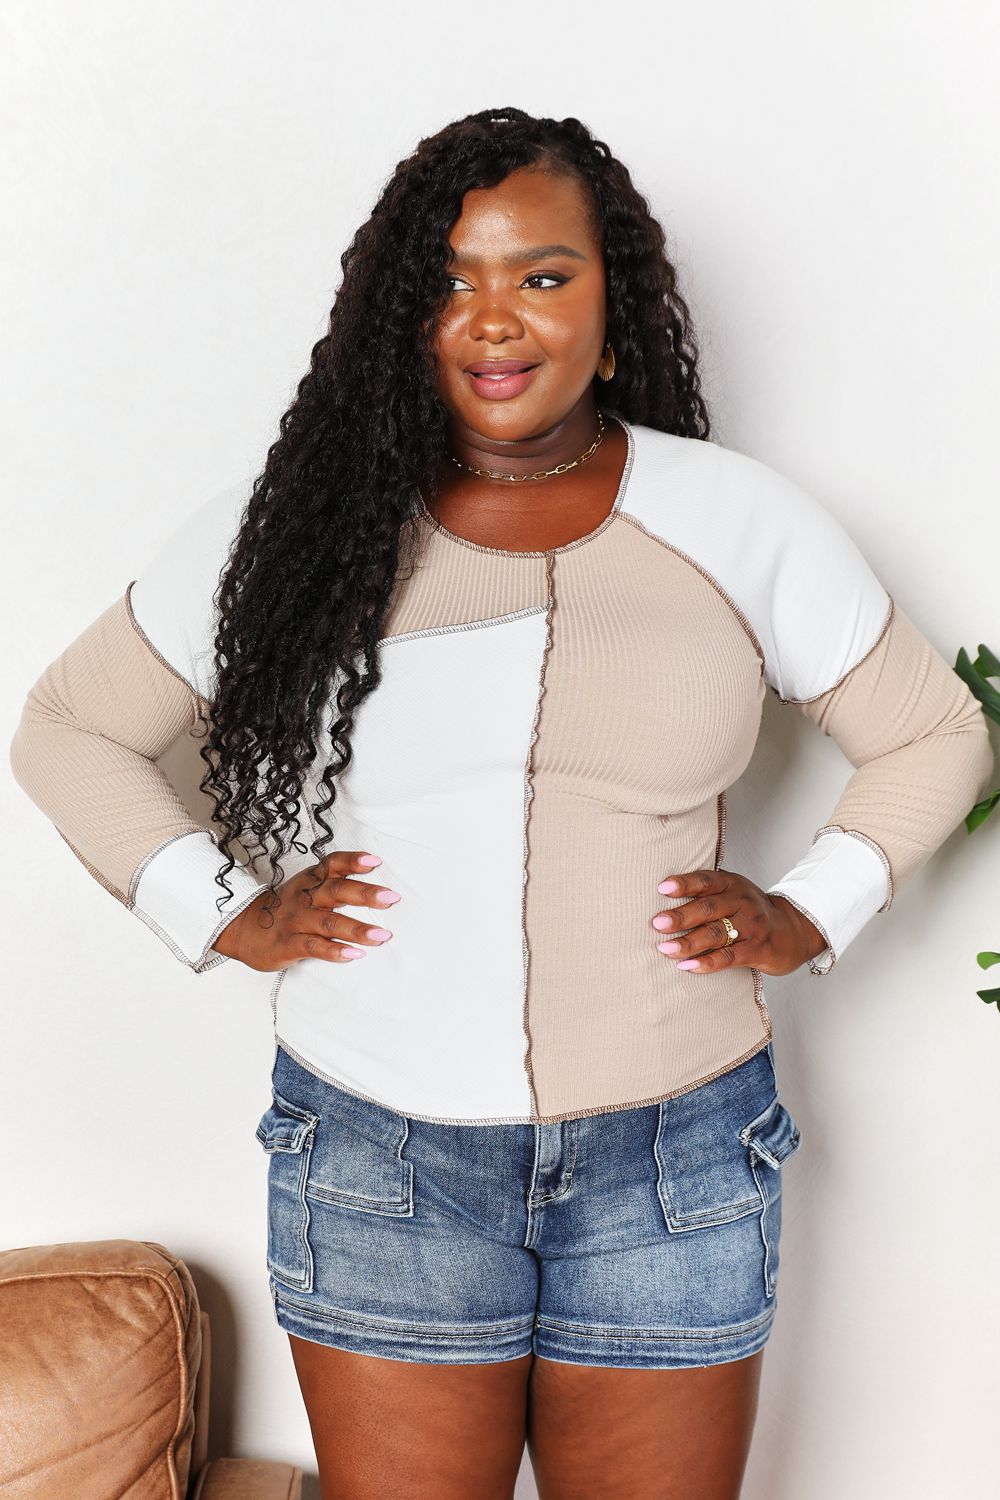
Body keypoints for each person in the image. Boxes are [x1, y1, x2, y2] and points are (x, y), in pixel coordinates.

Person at [9, 106, 993, 1500]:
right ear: (401, 312)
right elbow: (69, 727)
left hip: (678, 1147)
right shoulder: (302, 521)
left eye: (541, 275)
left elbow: (934, 733)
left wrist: (806, 912)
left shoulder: (736, 522)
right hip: (378, 1147)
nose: (495, 319)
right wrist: (220, 910)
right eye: (452, 281)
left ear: (614, 297)